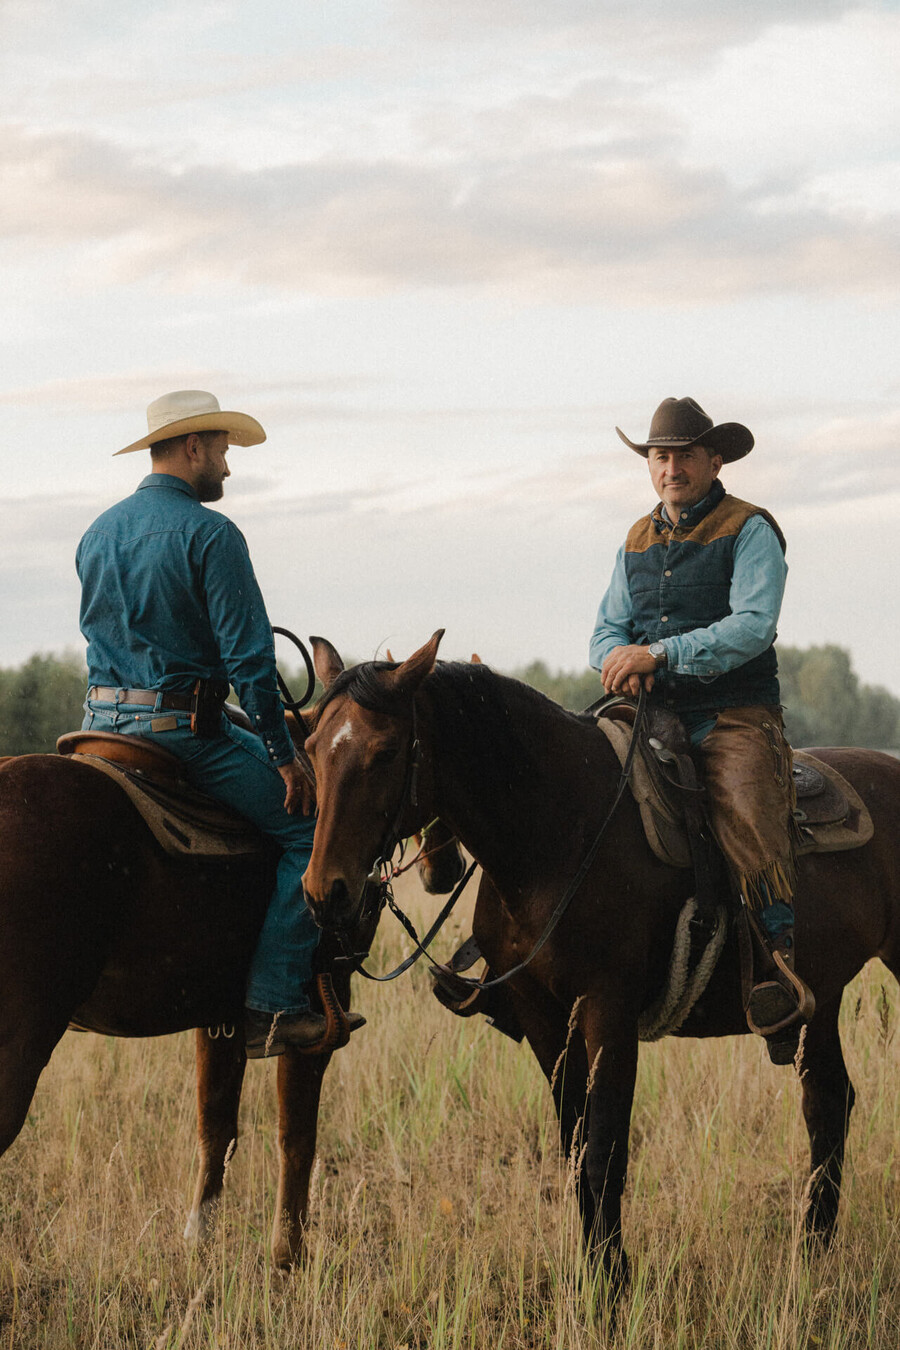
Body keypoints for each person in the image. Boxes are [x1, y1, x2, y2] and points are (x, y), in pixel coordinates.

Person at [77, 389, 362, 1058]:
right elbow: (250, 664)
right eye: (225, 451)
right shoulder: (211, 535)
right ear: (194, 447)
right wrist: (284, 757)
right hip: (178, 735)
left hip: (97, 726)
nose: (229, 468)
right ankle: (274, 1002)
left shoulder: (97, 533)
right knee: (308, 832)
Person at [589, 396, 813, 1064]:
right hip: (648, 711)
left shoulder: (750, 530)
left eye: (685, 454)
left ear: (715, 459)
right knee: (569, 780)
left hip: (731, 714)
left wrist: (659, 655)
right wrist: (615, 661)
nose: (671, 467)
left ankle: (778, 966)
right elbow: (607, 627)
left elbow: (753, 625)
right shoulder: (635, 537)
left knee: (749, 807)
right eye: (661, 455)